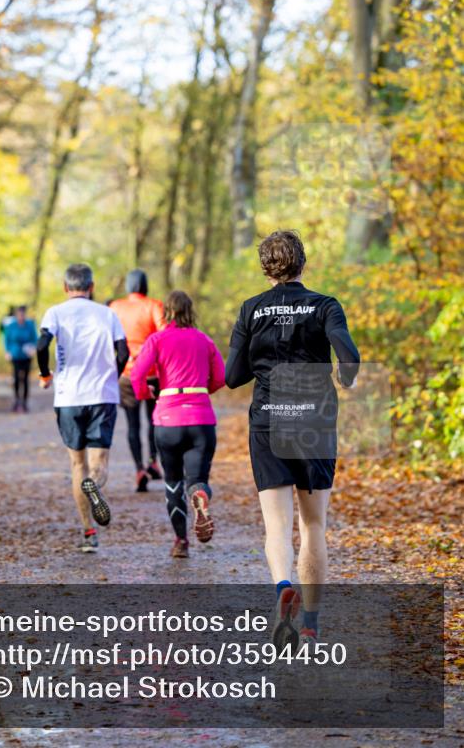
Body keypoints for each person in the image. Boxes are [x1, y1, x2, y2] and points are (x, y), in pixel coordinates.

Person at [225, 230, 360, 650]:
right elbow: (348, 356)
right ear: (303, 263)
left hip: (269, 421)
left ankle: (283, 586)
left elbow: (232, 377)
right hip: (314, 421)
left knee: (277, 526)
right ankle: (312, 624)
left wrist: (261, 361)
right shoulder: (325, 306)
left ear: (266, 268)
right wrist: (346, 375)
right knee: (313, 523)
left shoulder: (251, 310)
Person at [36, 263, 129, 553]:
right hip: (102, 395)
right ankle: (95, 484)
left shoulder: (55, 313)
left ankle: (89, 531)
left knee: (77, 464)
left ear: (66, 288)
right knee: (99, 463)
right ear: (91, 287)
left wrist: (45, 374)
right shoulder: (107, 313)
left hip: (68, 397)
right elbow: (124, 351)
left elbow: (41, 346)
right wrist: (113, 374)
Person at [131, 290, 225, 559]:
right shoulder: (205, 340)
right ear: (190, 311)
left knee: (172, 482)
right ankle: (199, 495)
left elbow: (138, 374)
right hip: (201, 420)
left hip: (168, 420)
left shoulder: (157, 339)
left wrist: (144, 394)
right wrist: (200, 390)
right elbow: (220, 377)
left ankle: (181, 541)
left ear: (167, 313)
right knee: (197, 480)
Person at [110, 269, 164, 492]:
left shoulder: (114, 307)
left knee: (133, 424)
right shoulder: (154, 305)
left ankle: (139, 469)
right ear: (145, 286)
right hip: (153, 372)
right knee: (154, 420)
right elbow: (164, 335)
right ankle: (153, 461)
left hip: (126, 373)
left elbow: (108, 338)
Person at [1, 305, 38, 412]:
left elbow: (35, 338)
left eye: (23, 315)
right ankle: (17, 400)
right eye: (19, 315)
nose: (21, 317)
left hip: (27, 355)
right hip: (15, 354)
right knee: (16, 378)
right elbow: (6, 339)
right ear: (16, 315)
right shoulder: (11, 325)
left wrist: (33, 348)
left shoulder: (30, 325)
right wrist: (7, 352)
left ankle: (25, 402)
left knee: (25, 379)